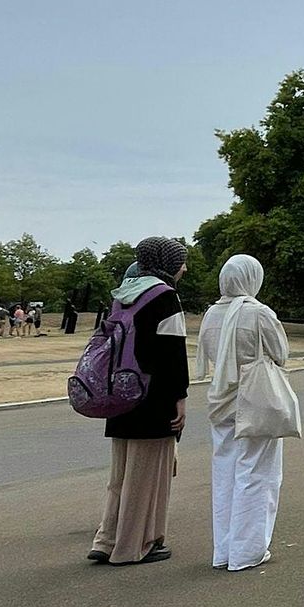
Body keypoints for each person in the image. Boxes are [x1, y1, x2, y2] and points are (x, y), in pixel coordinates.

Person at [87, 237, 189, 566]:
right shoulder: (165, 296)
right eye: (180, 262)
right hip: (154, 397)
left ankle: (106, 539)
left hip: (120, 394)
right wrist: (180, 398)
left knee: (119, 476)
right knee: (146, 477)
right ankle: (135, 545)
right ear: (166, 264)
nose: (183, 268)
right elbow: (174, 355)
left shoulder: (123, 294)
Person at [197, 255, 291, 571]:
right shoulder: (258, 313)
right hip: (254, 399)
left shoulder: (210, 314)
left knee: (224, 475)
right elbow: (280, 353)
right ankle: (247, 550)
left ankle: (223, 549)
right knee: (257, 474)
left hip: (220, 400)